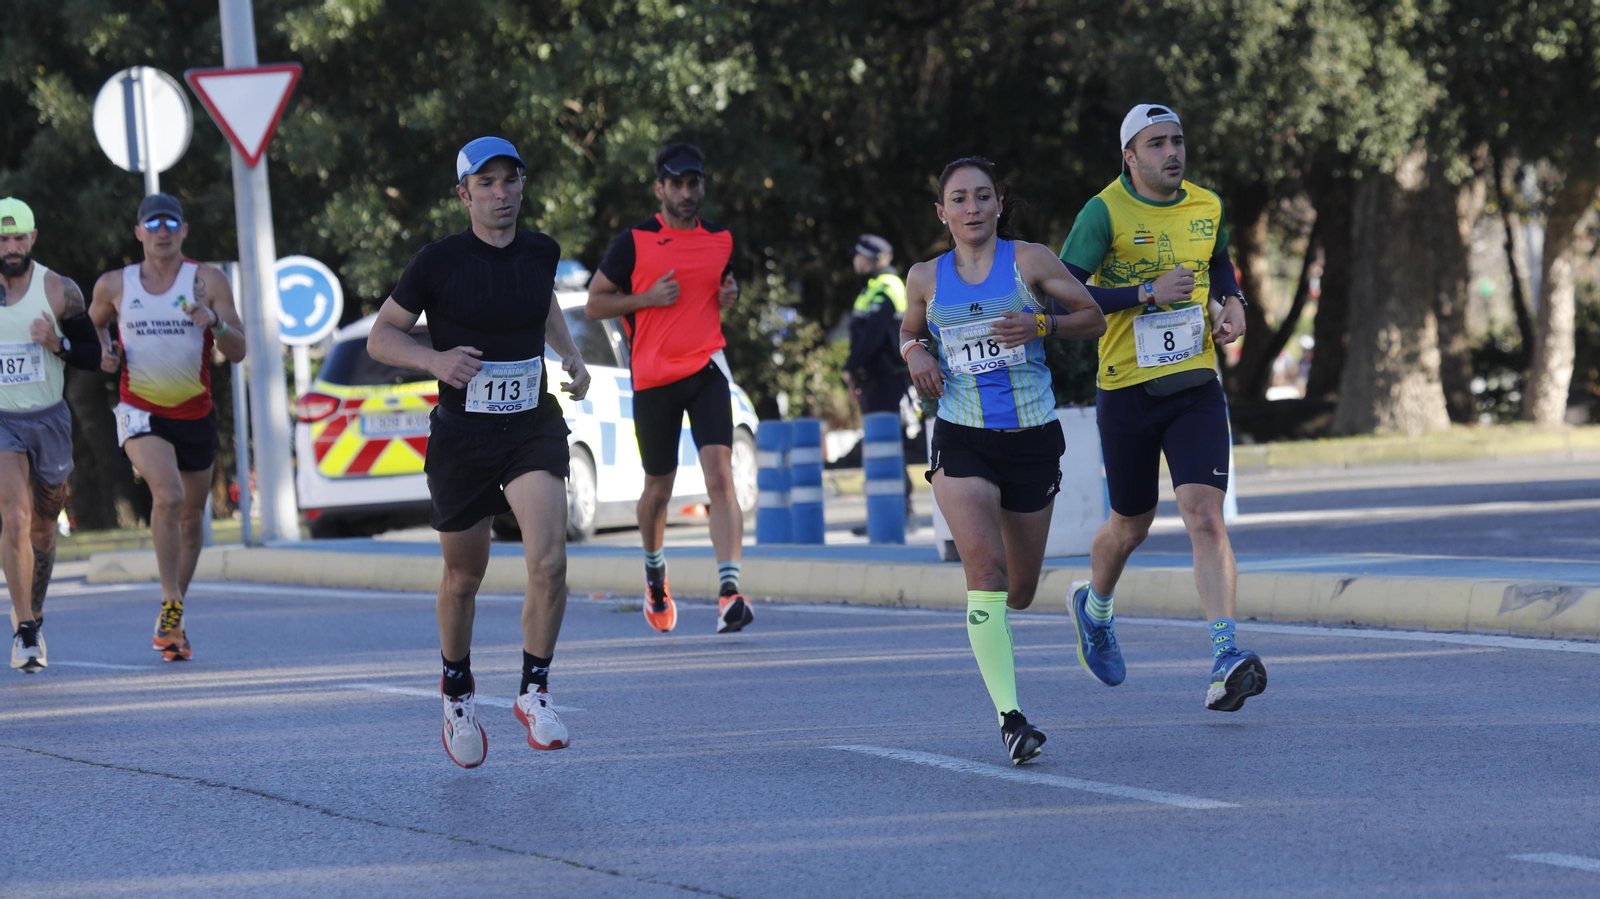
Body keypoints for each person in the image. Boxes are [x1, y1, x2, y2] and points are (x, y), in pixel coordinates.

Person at [368, 137, 592, 768]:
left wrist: (569, 354)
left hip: (531, 425)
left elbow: (541, 300)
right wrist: (434, 359)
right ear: (464, 194)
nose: (500, 193)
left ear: (522, 186)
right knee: (465, 576)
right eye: (486, 183)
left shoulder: (542, 252)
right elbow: (383, 338)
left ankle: (534, 691)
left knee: (548, 560)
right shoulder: (437, 262)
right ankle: (458, 691)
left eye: (510, 180)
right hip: (463, 437)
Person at [1057, 103, 1265, 712]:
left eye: (1177, 141)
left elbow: (1219, 262)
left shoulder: (1207, 205)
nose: (1171, 153)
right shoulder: (1103, 212)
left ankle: (1225, 655)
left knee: (1205, 514)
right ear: (1129, 155)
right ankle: (1094, 609)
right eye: (1155, 144)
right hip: (1126, 388)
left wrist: (1234, 301)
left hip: (1195, 383)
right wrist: (1143, 293)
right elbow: (1065, 291)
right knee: (1131, 526)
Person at [900, 157, 1105, 764]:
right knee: (984, 576)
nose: (971, 208)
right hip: (962, 435)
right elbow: (910, 330)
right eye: (958, 199)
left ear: (998, 205)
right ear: (942, 213)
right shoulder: (924, 277)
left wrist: (1041, 324)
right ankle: (1012, 719)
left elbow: (1092, 316)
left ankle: (1070, 606)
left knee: (1018, 590)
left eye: (982, 197)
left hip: (1032, 436)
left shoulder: (1032, 261)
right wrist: (915, 353)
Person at [586, 143, 750, 635]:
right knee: (659, 489)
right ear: (659, 188)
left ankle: (729, 591)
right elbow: (595, 304)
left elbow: (722, 286)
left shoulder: (721, 240)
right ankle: (655, 575)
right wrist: (647, 299)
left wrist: (731, 293)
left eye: (693, 182)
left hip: (706, 369)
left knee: (720, 474)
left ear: (702, 186)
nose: (685, 191)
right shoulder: (633, 243)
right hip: (654, 378)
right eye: (675, 183)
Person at [90, 194, 246, 662]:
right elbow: (92, 325)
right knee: (170, 495)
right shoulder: (114, 284)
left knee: (192, 522)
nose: (162, 231)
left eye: (170, 224)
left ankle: (172, 617)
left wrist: (215, 321)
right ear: (138, 232)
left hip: (195, 413)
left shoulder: (205, 280)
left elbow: (238, 349)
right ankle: (169, 603)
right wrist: (103, 350)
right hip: (140, 411)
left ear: (183, 231)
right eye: (152, 223)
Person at [0, 198, 102, 672]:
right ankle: (22, 629)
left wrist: (55, 342)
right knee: (15, 518)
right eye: (3, 239)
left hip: (49, 420)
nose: (11, 247)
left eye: (18, 237)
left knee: (43, 527)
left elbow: (90, 353)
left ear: (33, 238)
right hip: (3, 422)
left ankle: (35, 614)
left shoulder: (59, 290)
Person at [842, 234, 913, 513]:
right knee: (882, 441)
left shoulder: (887, 286)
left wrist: (851, 368)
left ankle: (896, 509)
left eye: (860, 257)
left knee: (886, 440)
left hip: (887, 377)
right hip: (875, 377)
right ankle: (890, 508)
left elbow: (871, 338)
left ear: (874, 260)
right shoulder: (871, 287)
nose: (855, 262)